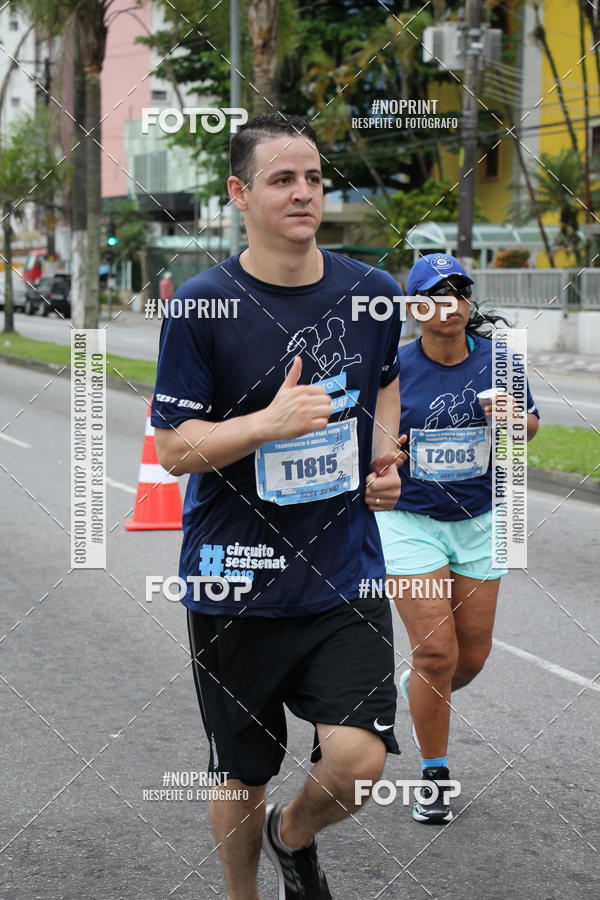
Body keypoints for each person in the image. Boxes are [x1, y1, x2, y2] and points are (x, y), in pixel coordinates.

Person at [151, 113, 406, 900]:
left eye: (314, 177)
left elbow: (386, 379)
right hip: (237, 576)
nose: (304, 193)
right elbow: (172, 448)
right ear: (239, 193)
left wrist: (381, 457)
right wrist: (270, 423)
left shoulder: (374, 293)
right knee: (243, 772)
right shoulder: (200, 305)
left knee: (359, 763)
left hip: (343, 572)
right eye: (282, 179)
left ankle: (292, 839)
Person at [376, 253, 539, 825]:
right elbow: (375, 443)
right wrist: (387, 457)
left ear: (469, 303)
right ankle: (435, 774)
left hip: (481, 520)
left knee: (470, 659)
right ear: (415, 308)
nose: (449, 301)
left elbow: (532, 428)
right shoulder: (392, 367)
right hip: (410, 522)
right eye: (434, 293)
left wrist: (512, 418)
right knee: (437, 652)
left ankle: (418, 681)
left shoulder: (501, 361)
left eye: (458, 291)